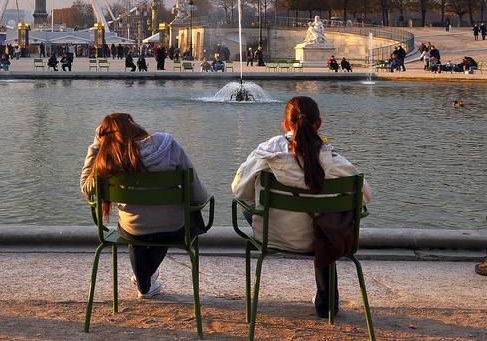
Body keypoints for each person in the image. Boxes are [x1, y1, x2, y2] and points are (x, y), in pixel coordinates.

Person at [231, 96, 373, 319]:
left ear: (286, 124)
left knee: (247, 205)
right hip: (322, 239)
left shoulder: (266, 154)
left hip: (273, 235)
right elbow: (365, 196)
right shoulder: (334, 160)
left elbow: (239, 190)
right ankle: (326, 303)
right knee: (329, 221)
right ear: (319, 124)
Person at [80, 113, 209, 299]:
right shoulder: (168, 145)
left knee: (134, 226)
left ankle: (144, 284)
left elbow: (86, 188)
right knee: (170, 219)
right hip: (173, 228)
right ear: (134, 125)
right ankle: (145, 282)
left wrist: (95, 145)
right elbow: (199, 195)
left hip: (134, 229)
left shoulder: (109, 159)